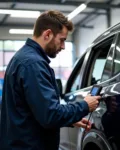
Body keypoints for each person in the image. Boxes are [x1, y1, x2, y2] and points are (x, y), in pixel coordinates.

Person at [0, 10, 101, 150]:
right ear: (47, 34)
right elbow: (50, 115)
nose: (63, 46)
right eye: (62, 40)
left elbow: (36, 112)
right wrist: (84, 105)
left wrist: (70, 120)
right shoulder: (33, 64)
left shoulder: (23, 58)